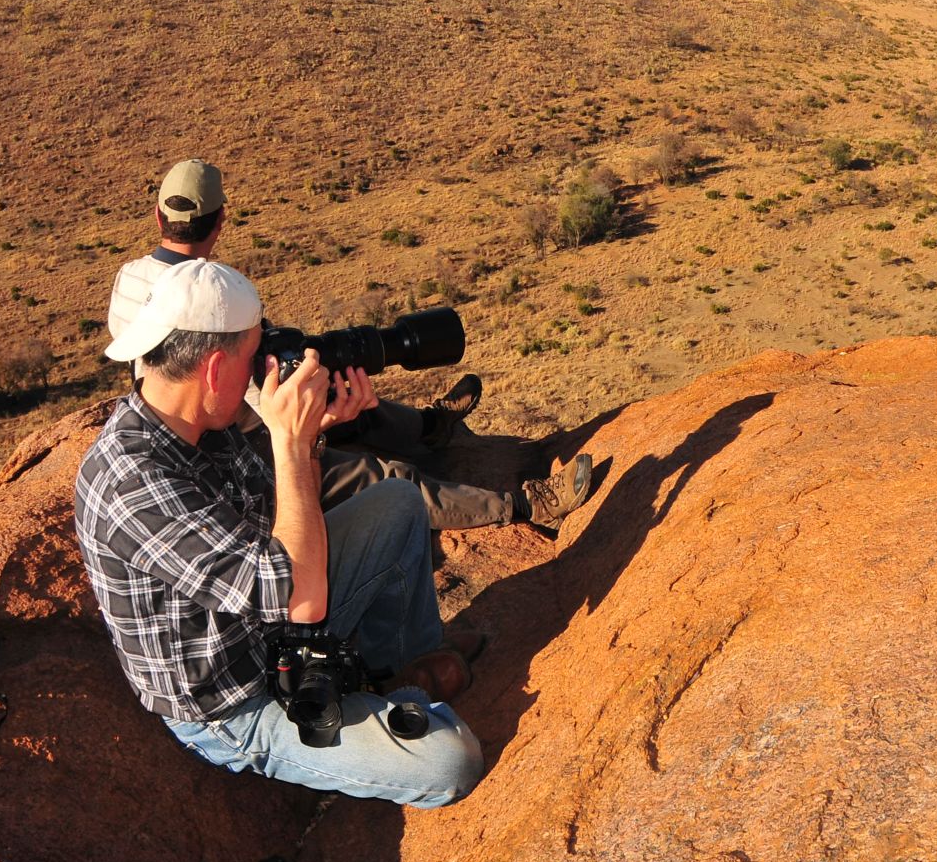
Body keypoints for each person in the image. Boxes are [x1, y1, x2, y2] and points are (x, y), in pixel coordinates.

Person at [74, 259, 484, 806]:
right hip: (235, 697)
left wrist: (311, 437)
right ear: (217, 369)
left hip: (270, 622)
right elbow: (303, 599)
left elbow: (293, 516)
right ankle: (380, 701)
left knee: (399, 503)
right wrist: (287, 442)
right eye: (252, 360)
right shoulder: (133, 482)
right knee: (451, 760)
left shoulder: (201, 424)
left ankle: (400, 666)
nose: (261, 376)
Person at [109, 158, 596, 527]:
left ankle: (429, 427)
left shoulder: (129, 280)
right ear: (221, 222)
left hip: (212, 418)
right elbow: (249, 373)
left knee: (351, 403)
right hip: (235, 441)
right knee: (376, 476)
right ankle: (523, 506)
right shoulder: (222, 289)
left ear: (158, 218)